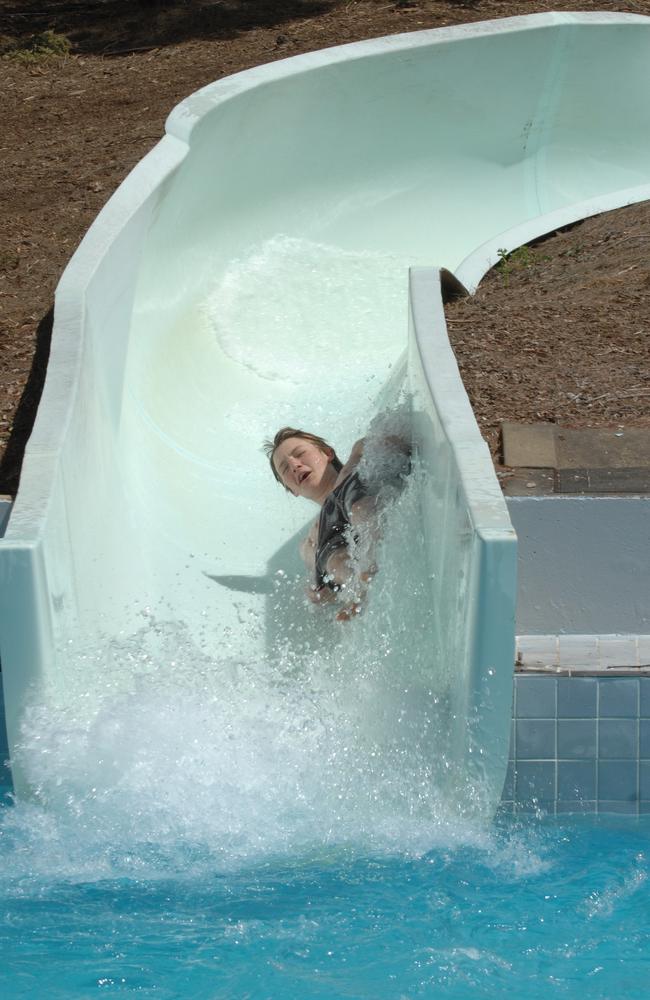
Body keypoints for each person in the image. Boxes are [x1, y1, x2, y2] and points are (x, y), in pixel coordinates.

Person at [265, 426, 409, 620]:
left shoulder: (353, 464)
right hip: (332, 537)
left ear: (327, 453)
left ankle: (370, 569)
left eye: (300, 454)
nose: (294, 465)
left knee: (358, 510)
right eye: (285, 469)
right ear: (292, 490)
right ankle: (359, 586)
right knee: (333, 560)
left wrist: (384, 442)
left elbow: (387, 441)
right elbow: (320, 585)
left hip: (353, 492)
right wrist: (319, 594)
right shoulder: (310, 541)